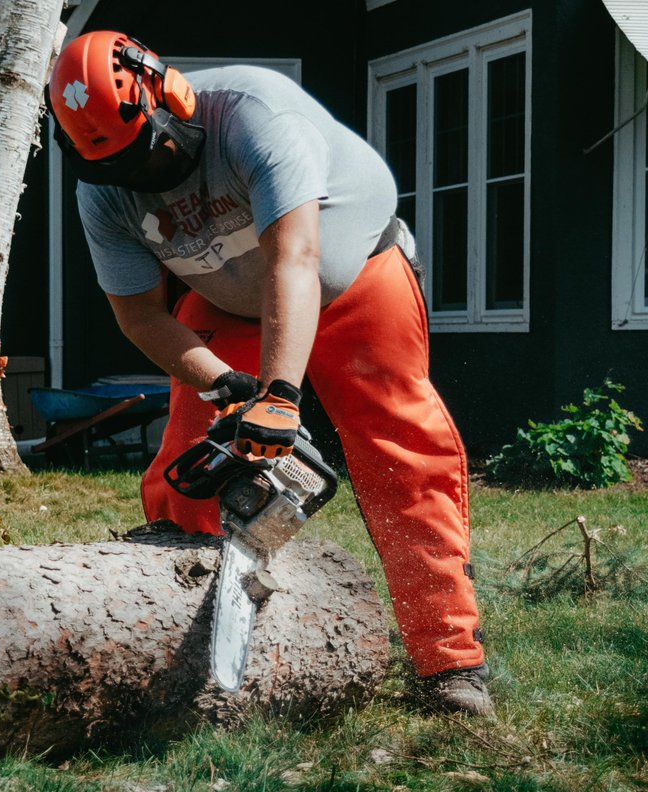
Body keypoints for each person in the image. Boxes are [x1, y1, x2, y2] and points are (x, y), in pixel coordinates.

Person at [46, 30, 494, 716]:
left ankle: (450, 659)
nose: (140, 180)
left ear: (169, 95)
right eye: (118, 170)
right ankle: (178, 644)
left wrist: (280, 396)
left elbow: (296, 259)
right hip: (227, 300)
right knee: (189, 463)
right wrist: (220, 381)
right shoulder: (103, 191)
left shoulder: (255, 114)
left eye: (148, 155)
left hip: (352, 277)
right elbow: (138, 315)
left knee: (402, 452)